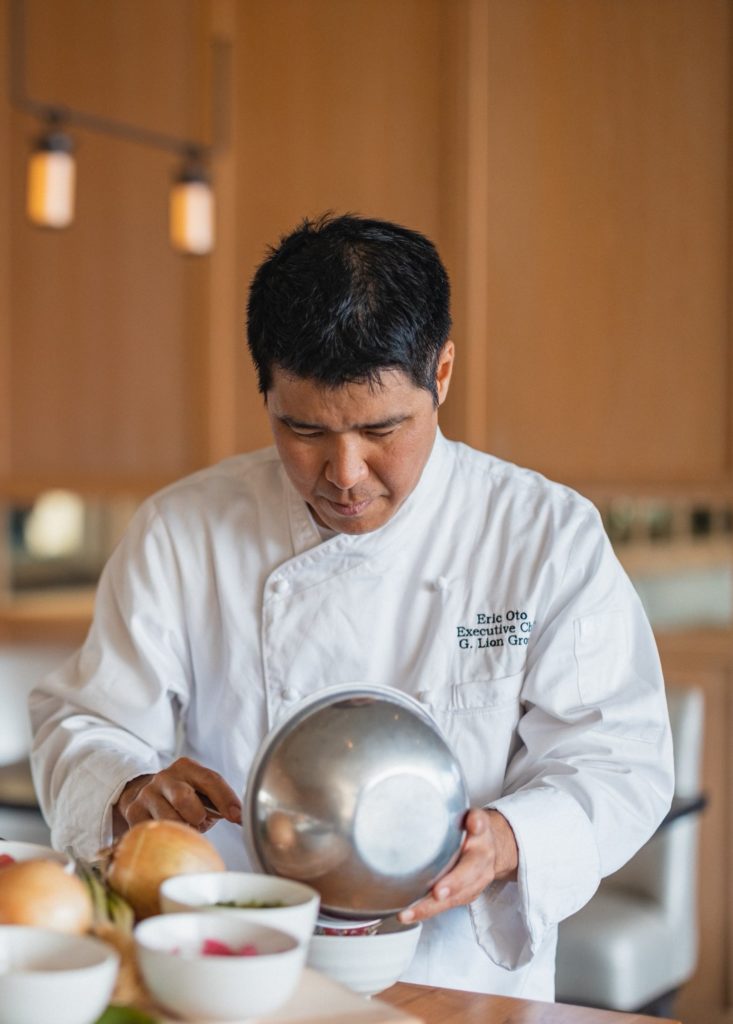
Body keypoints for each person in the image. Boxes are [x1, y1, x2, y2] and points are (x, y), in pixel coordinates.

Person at [30, 213, 674, 998]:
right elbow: (85, 721)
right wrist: (131, 787)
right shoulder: (182, 529)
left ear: (440, 375)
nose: (344, 473)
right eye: (302, 429)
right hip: (235, 972)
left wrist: (510, 838)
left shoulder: (541, 534)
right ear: (263, 386)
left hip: (453, 973)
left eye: (381, 429)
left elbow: (617, 759)